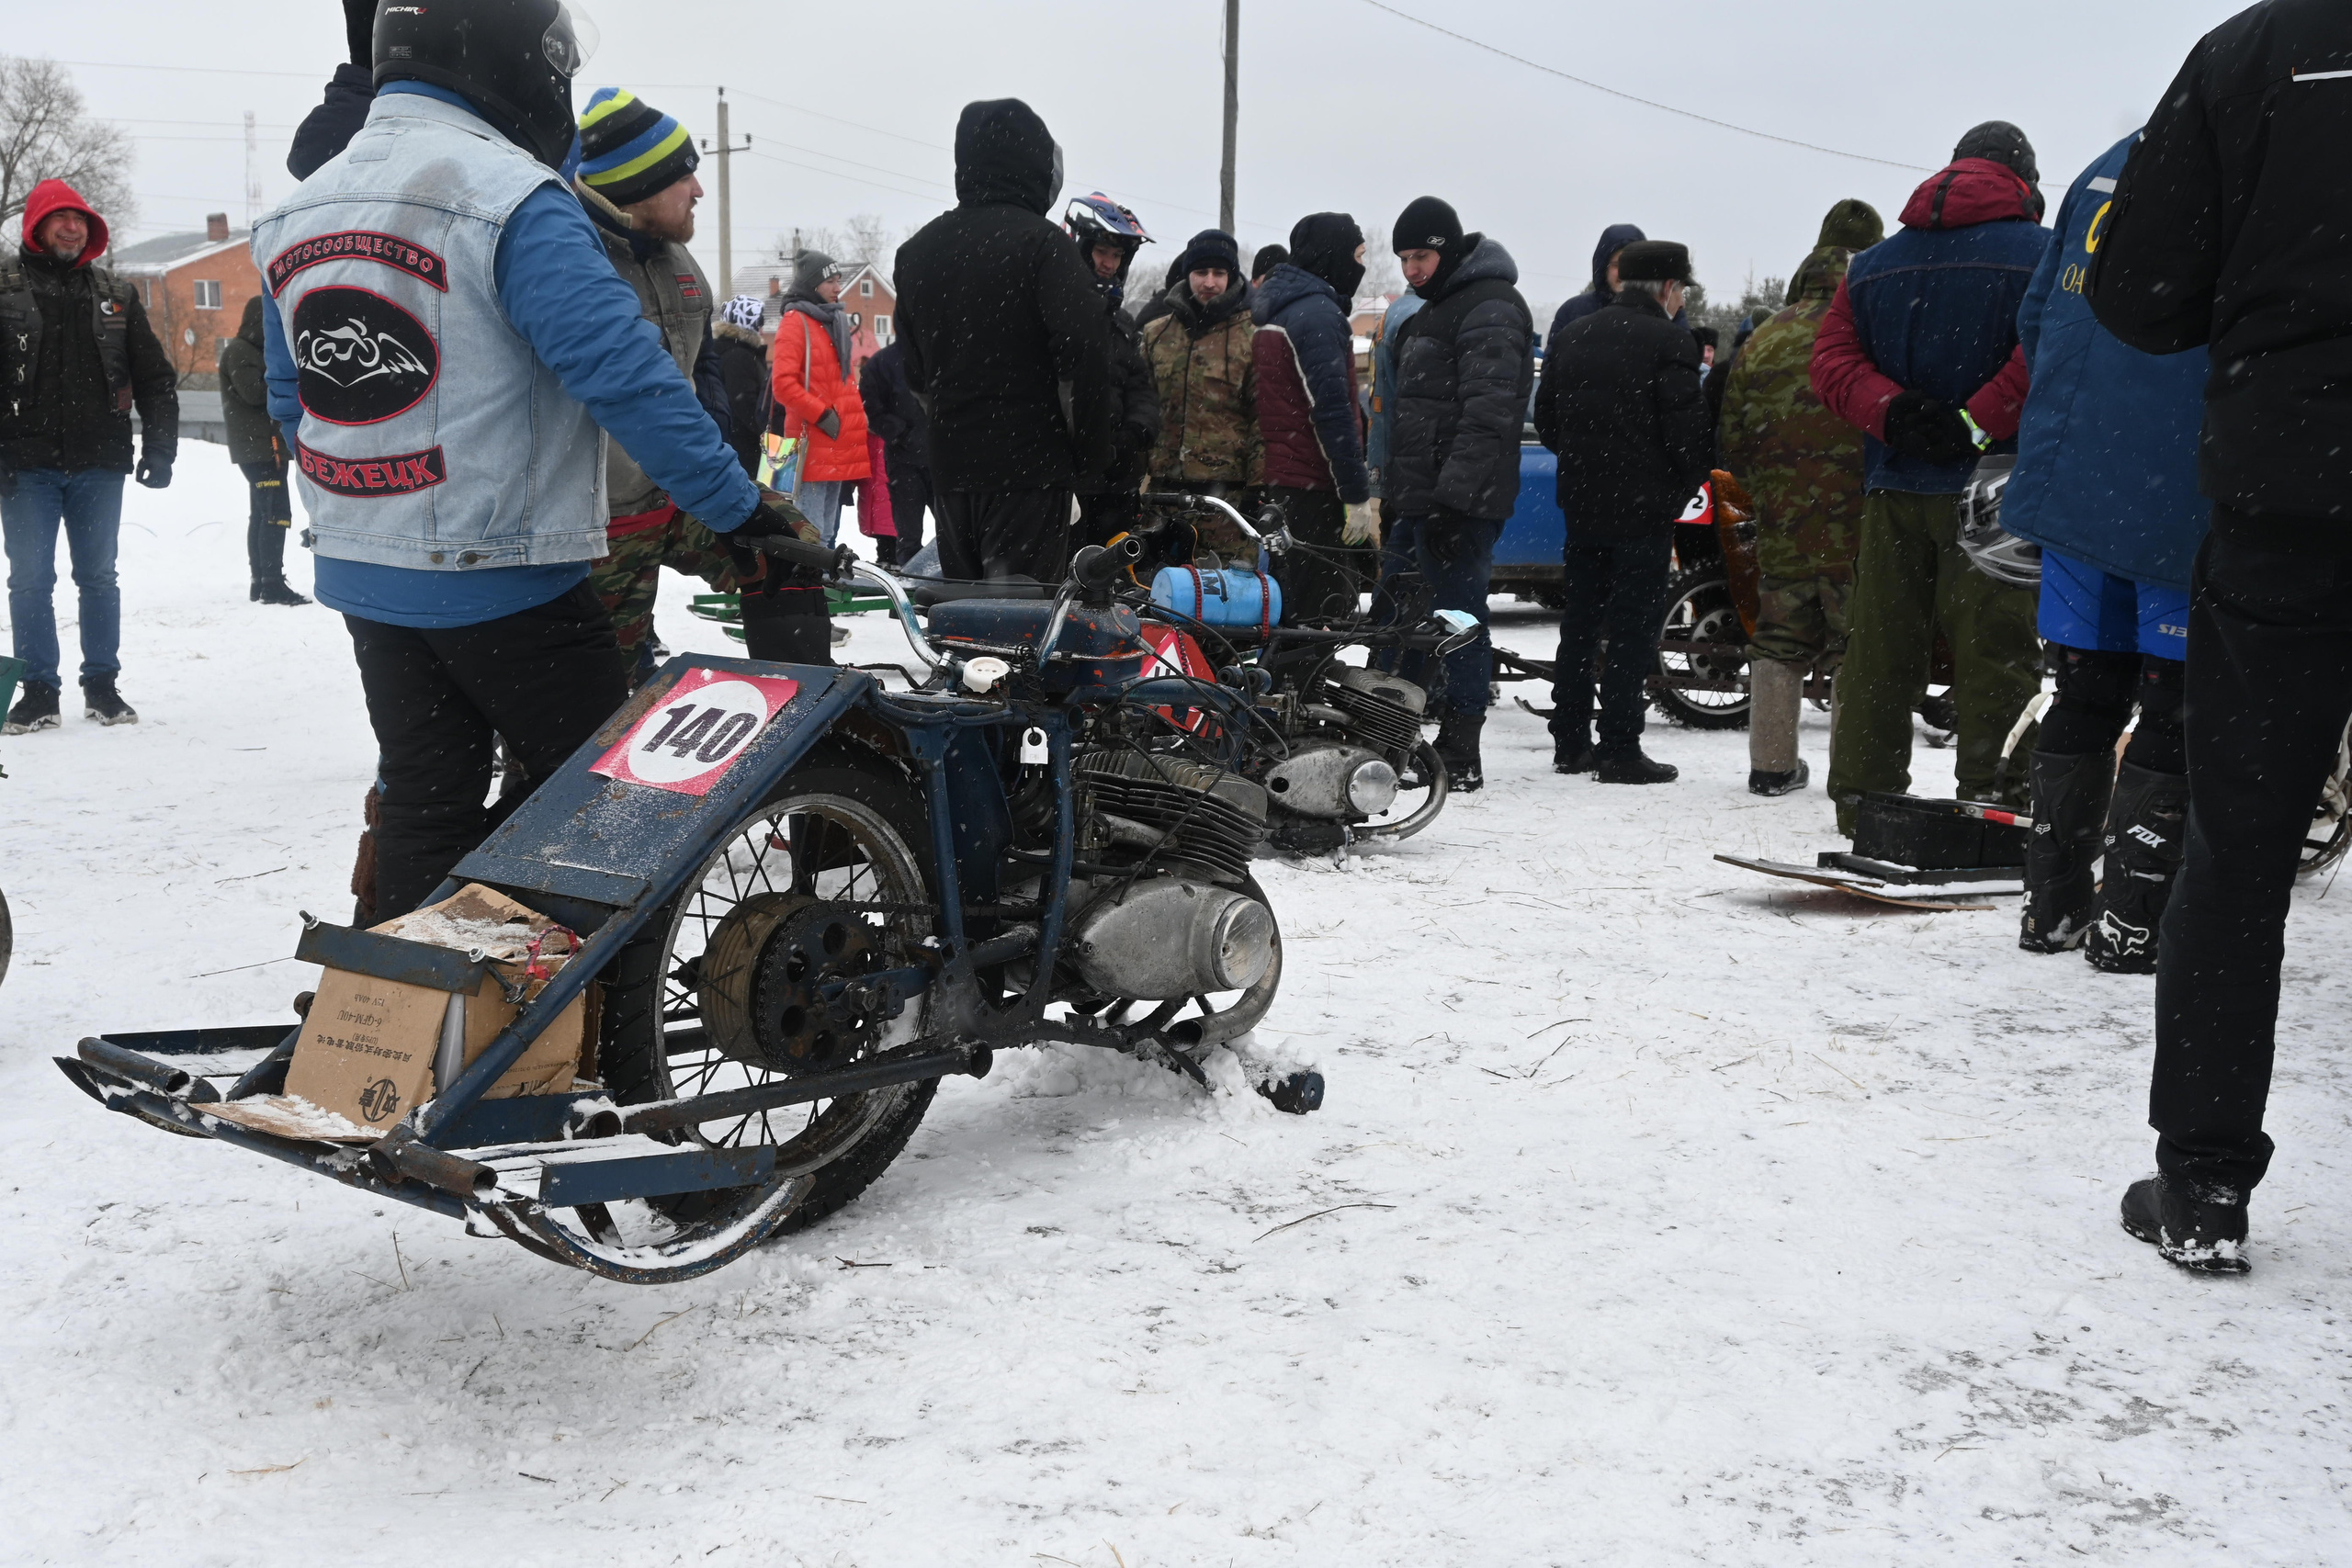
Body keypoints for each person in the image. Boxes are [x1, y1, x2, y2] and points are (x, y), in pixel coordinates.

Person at [253, 0, 819, 920]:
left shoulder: (300, 207)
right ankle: (579, 1044)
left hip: (370, 568)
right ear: (513, 59)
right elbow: (628, 379)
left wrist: (367, 498)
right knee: (604, 811)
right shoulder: (512, 196)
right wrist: (739, 511)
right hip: (505, 571)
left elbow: (297, 398)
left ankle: (382, 1033)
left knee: (427, 809)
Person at [2085, 0, 2352, 1274]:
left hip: (2292, 492)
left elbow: (2138, 290)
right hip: (2291, 482)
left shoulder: (2258, 52)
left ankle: (2202, 1182)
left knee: (2239, 842)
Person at [2007, 133, 2207, 968]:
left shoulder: (2104, 172)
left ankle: (2050, 911)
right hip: (2181, 482)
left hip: (2078, 477)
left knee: (2084, 690)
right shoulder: (2254, 166)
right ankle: (2131, 927)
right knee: (2173, 700)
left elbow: (2033, 316)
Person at [1811, 122, 2046, 831]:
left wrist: (1892, 411)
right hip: (1997, 486)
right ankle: (1997, 799)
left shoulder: (1874, 265)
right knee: (1995, 650)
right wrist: (1975, 421)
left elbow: (1829, 362)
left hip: (1893, 486)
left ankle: (1862, 798)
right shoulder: (2045, 255)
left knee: (1880, 647)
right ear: (2026, 183)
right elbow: (2048, 348)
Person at [571, 86, 756, 682]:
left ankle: (810, 743)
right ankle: (546, 771)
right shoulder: (573, 257)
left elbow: (704, 365)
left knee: (786, 553)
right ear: (639, 185)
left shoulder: (680, 259)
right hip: (593, 523)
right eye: (685, 176)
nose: (699, 190)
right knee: (590, 695)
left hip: (671, 499)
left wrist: (716, 442)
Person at [894, 98, 1113, 581]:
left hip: (952, 471)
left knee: (967, 621)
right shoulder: (1043, 243)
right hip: (1029, 468)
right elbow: (1086, 353)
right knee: (1019, 626)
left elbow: (913, 370)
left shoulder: (917, 252)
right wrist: (1090, 456)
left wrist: (956, 425)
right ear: (1037, 165)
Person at [1713, 206, 1883, 795]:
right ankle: (1852, 775)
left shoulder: (1766, 335)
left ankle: (1771, 766)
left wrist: (1772, 493)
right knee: (1856, 641)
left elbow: (1731, 439)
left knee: (1780, 637)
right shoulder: (1874, 325)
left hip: (1783, 515)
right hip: (1862, 515)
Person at [1, 178, 175, 734]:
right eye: (60, 218)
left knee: (99, 577)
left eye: (81, 219)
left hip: (100, 462)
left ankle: (102, 686)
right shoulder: (3, 289)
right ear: (36, 225)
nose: (72, 227)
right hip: (23, 466)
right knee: (29, 580)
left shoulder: (116, 294)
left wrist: (162, 449)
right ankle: (37, 692)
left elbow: (155, 379)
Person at [1534, 241, 1712, 784]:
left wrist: (1588, 465)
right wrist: (1676, 486)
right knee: (1632, 627)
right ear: (1667, 288)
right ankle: (1619, 746)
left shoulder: (1570, 337)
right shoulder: (1670, 341)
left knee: (1580, 622)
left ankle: (1569, 741)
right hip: (1643, 510)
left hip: (1584, 503)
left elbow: (1547, 422)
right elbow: (1689, 436)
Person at [1378, 196, 1535, 791]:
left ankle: (1463, 745)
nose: (1411, 269)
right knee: (1400, 616)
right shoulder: (1434, 309)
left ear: (1445, 250)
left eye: (1420, 256)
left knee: (1458, 619)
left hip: (1460, 502)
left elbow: (1487, 414)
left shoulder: (1490, 306)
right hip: (1420, 498)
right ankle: (1390, 730)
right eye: (1404, 259)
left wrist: (1455, 499)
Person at [1253, 213, 1373, 622]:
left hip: (1284, 481)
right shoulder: (1318, 315)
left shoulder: (1282, 310)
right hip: (1313, 488)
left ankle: (1287, 682)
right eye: (1358, 256)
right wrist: (1355, 494)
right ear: (1334, 257)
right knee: (1316, 611)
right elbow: (1333, 412)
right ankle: (1303, 684)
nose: (1362, 266)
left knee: (1289, 604)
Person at [1140, 229, 1262, 558]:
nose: (1209, 282)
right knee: (1156, 595)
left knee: (1225, 599)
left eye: (1219, 273)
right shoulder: (1156, 334)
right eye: (1201, 273)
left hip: (1227, 502)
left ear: (1231, 277)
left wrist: (1257, 491)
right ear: (1187, 275)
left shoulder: (1253, 336)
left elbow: (1263, 421)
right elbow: (1142, 408)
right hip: (1164, 496)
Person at [1065, 194, 1161, 552]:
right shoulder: (1059, 312)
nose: (1109, 263)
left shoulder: (1123, 322)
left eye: (1117, 255)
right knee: (1064, 577)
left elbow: (1142, 388)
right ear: (1083, 247)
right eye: (1102, 252)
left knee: (1113, 582)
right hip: (1067, 477)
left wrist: (1136, 432)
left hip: (1117, 478)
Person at [771, 249, 871, 547]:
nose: (838, 288)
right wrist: (823, 414)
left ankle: (821, 585)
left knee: (826, 532)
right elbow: (783, 384)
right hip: (811, 442)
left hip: (838, 440)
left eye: (839, 280)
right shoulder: (795, 322)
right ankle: (809, 587)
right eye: (831, 281)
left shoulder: (833, 322)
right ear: (812, 284)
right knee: (811, 534)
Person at [218, 294, 312, 607]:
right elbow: (254, 393)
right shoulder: (240, 352)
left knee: (263, 513)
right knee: (275, 514)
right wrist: (288, 378)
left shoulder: (249, 351)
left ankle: (261, 582)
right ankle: (270, 583)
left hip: (265, 447)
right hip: (261, 448)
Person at [859, 337, 930, 568]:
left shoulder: (946, 353)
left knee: (956, 535)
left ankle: (955, 589)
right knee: (908, 538)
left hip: (945, 459)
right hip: (904, 461)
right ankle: (906, 597)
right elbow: (874, 408)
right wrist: (900, 434)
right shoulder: (882, 363)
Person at [1548, 223, 1686, 338]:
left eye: (1632, 266)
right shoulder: (1574, 311)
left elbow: (1684, 356)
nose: (1623, 273)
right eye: (1617, 265)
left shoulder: (1668, 310)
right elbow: (1553, 364)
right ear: (1604, 268)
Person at [712, 295, 769, 479]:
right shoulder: (740, 356)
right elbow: (744, 403)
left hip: (733, 442)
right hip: (743, 445)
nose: (762, 327)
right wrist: (766, 430)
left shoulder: (734, 351)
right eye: (759, 320)